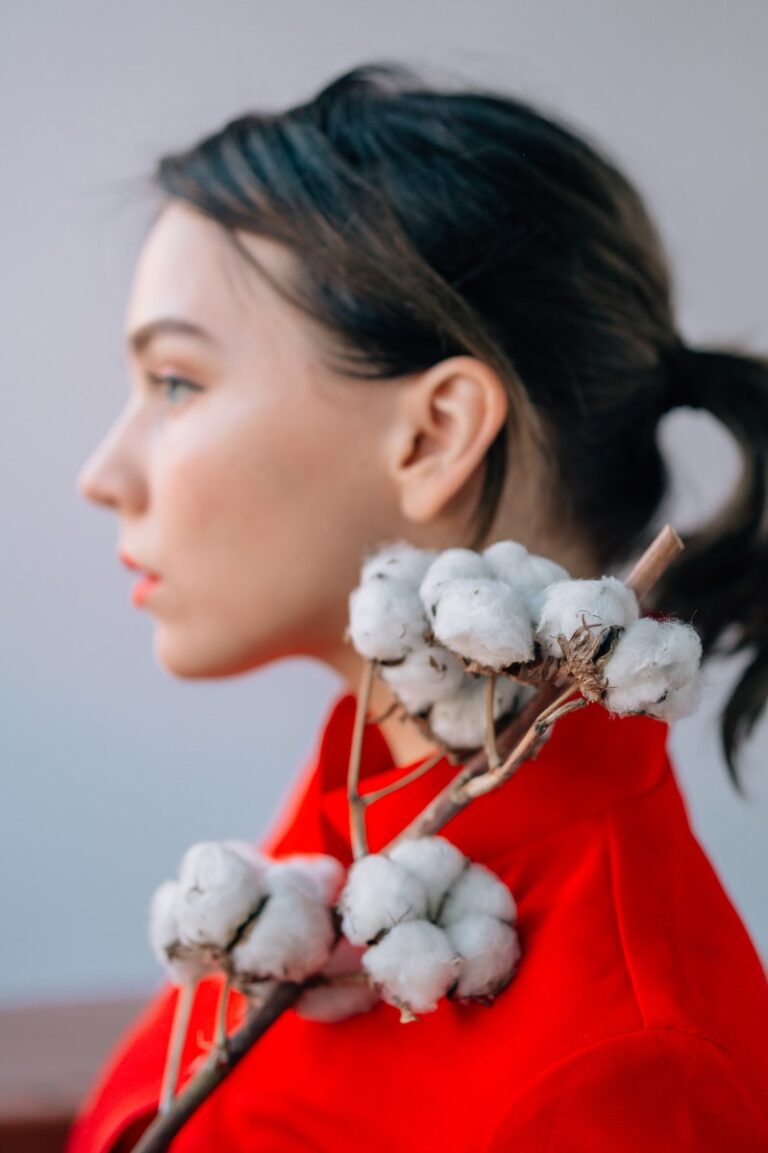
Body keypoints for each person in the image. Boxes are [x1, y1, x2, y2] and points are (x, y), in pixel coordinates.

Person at [69, 62, 768, 1151]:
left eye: (175, 383)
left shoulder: (626, 1071)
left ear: (436, 434)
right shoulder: (362, 794)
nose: (102, 472)